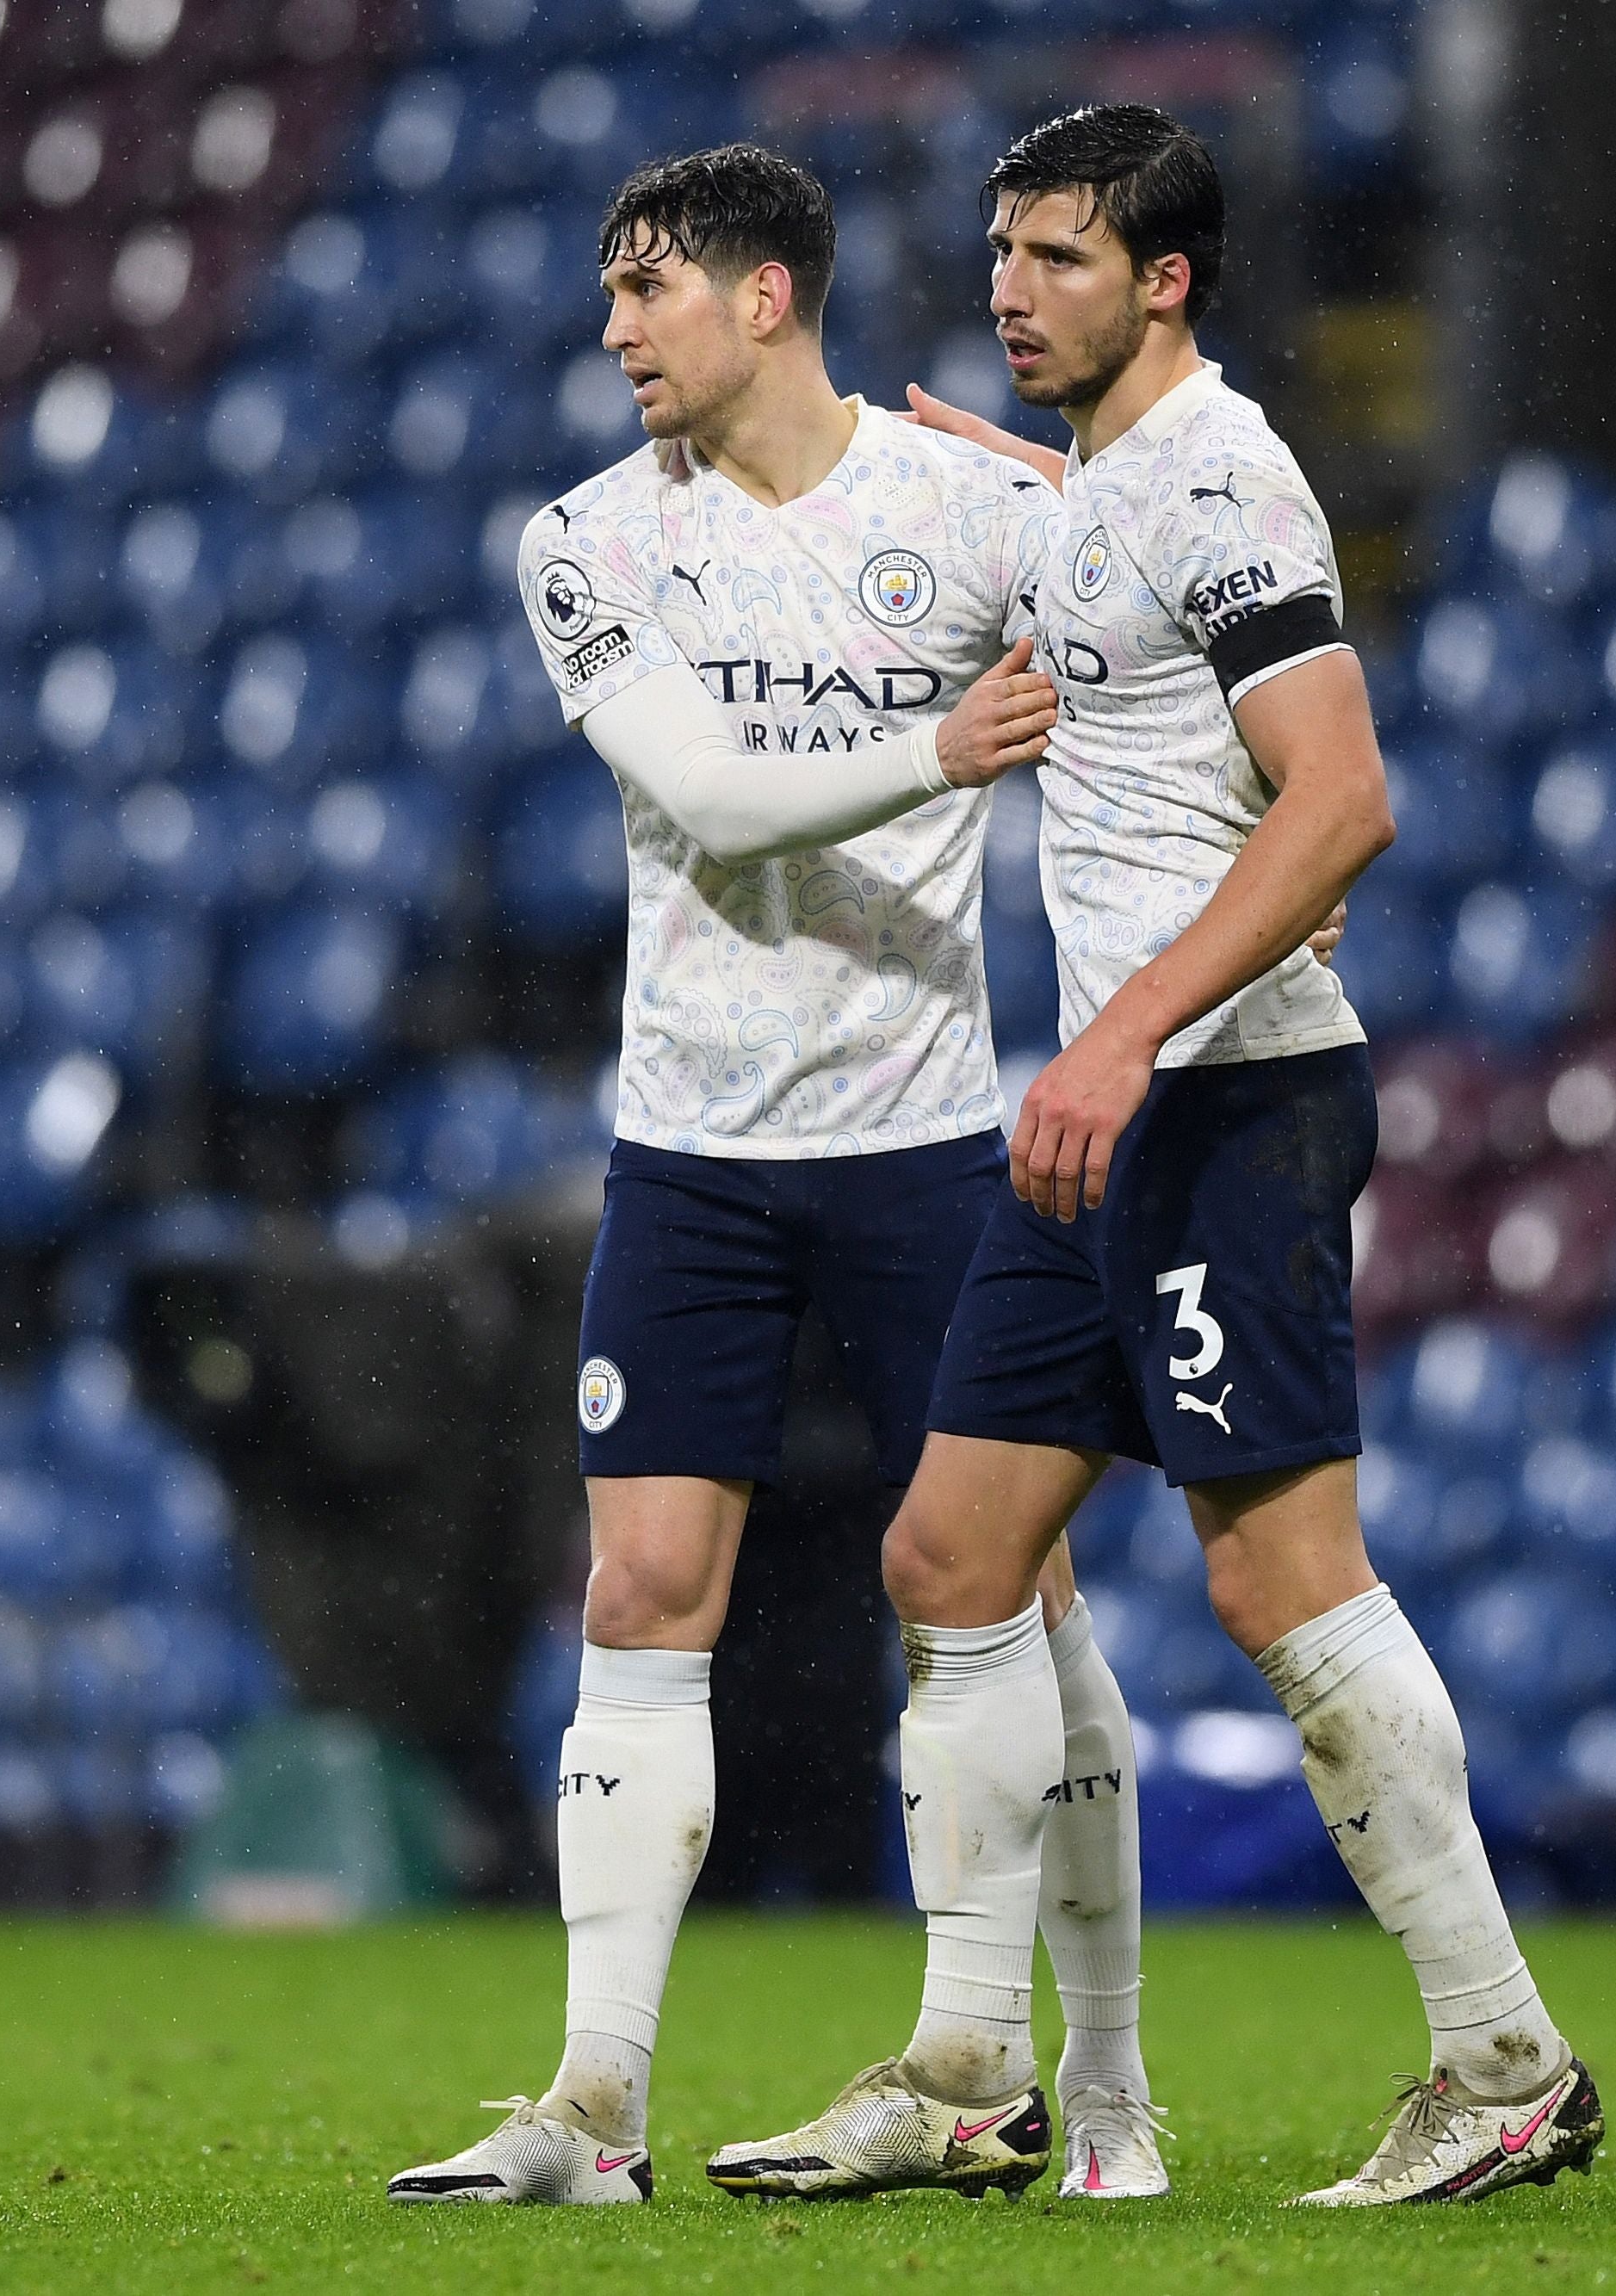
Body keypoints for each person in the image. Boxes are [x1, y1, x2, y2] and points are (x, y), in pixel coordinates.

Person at [708, 105, 1604, 2209]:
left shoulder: (1215, 477)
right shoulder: (1118, 477)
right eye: (1003, 249)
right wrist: (1019, 475)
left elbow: (1340, 793)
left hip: (1221, 1101)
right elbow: (1136, 598)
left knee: (1275, 1578)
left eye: (1059, 257)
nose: (1012, 285)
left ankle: (1501, 2059)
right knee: (946, 1556)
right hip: (1110, 1122)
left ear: (1167, 277)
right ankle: (965, 2071)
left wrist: (1112, 1034)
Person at [390, 141, 1266, 2209]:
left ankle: (1101, 2085)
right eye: (607, 297)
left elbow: (1176, 617)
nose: (612, 333)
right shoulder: (587, 542)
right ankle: (591, 2105)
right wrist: (942, 749)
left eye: (646, 292)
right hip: (686, 1155)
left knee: (1018, 1601)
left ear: (765, 297)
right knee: (641, 1590)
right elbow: (700, 792)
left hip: (926, 1146)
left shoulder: (972, 510)